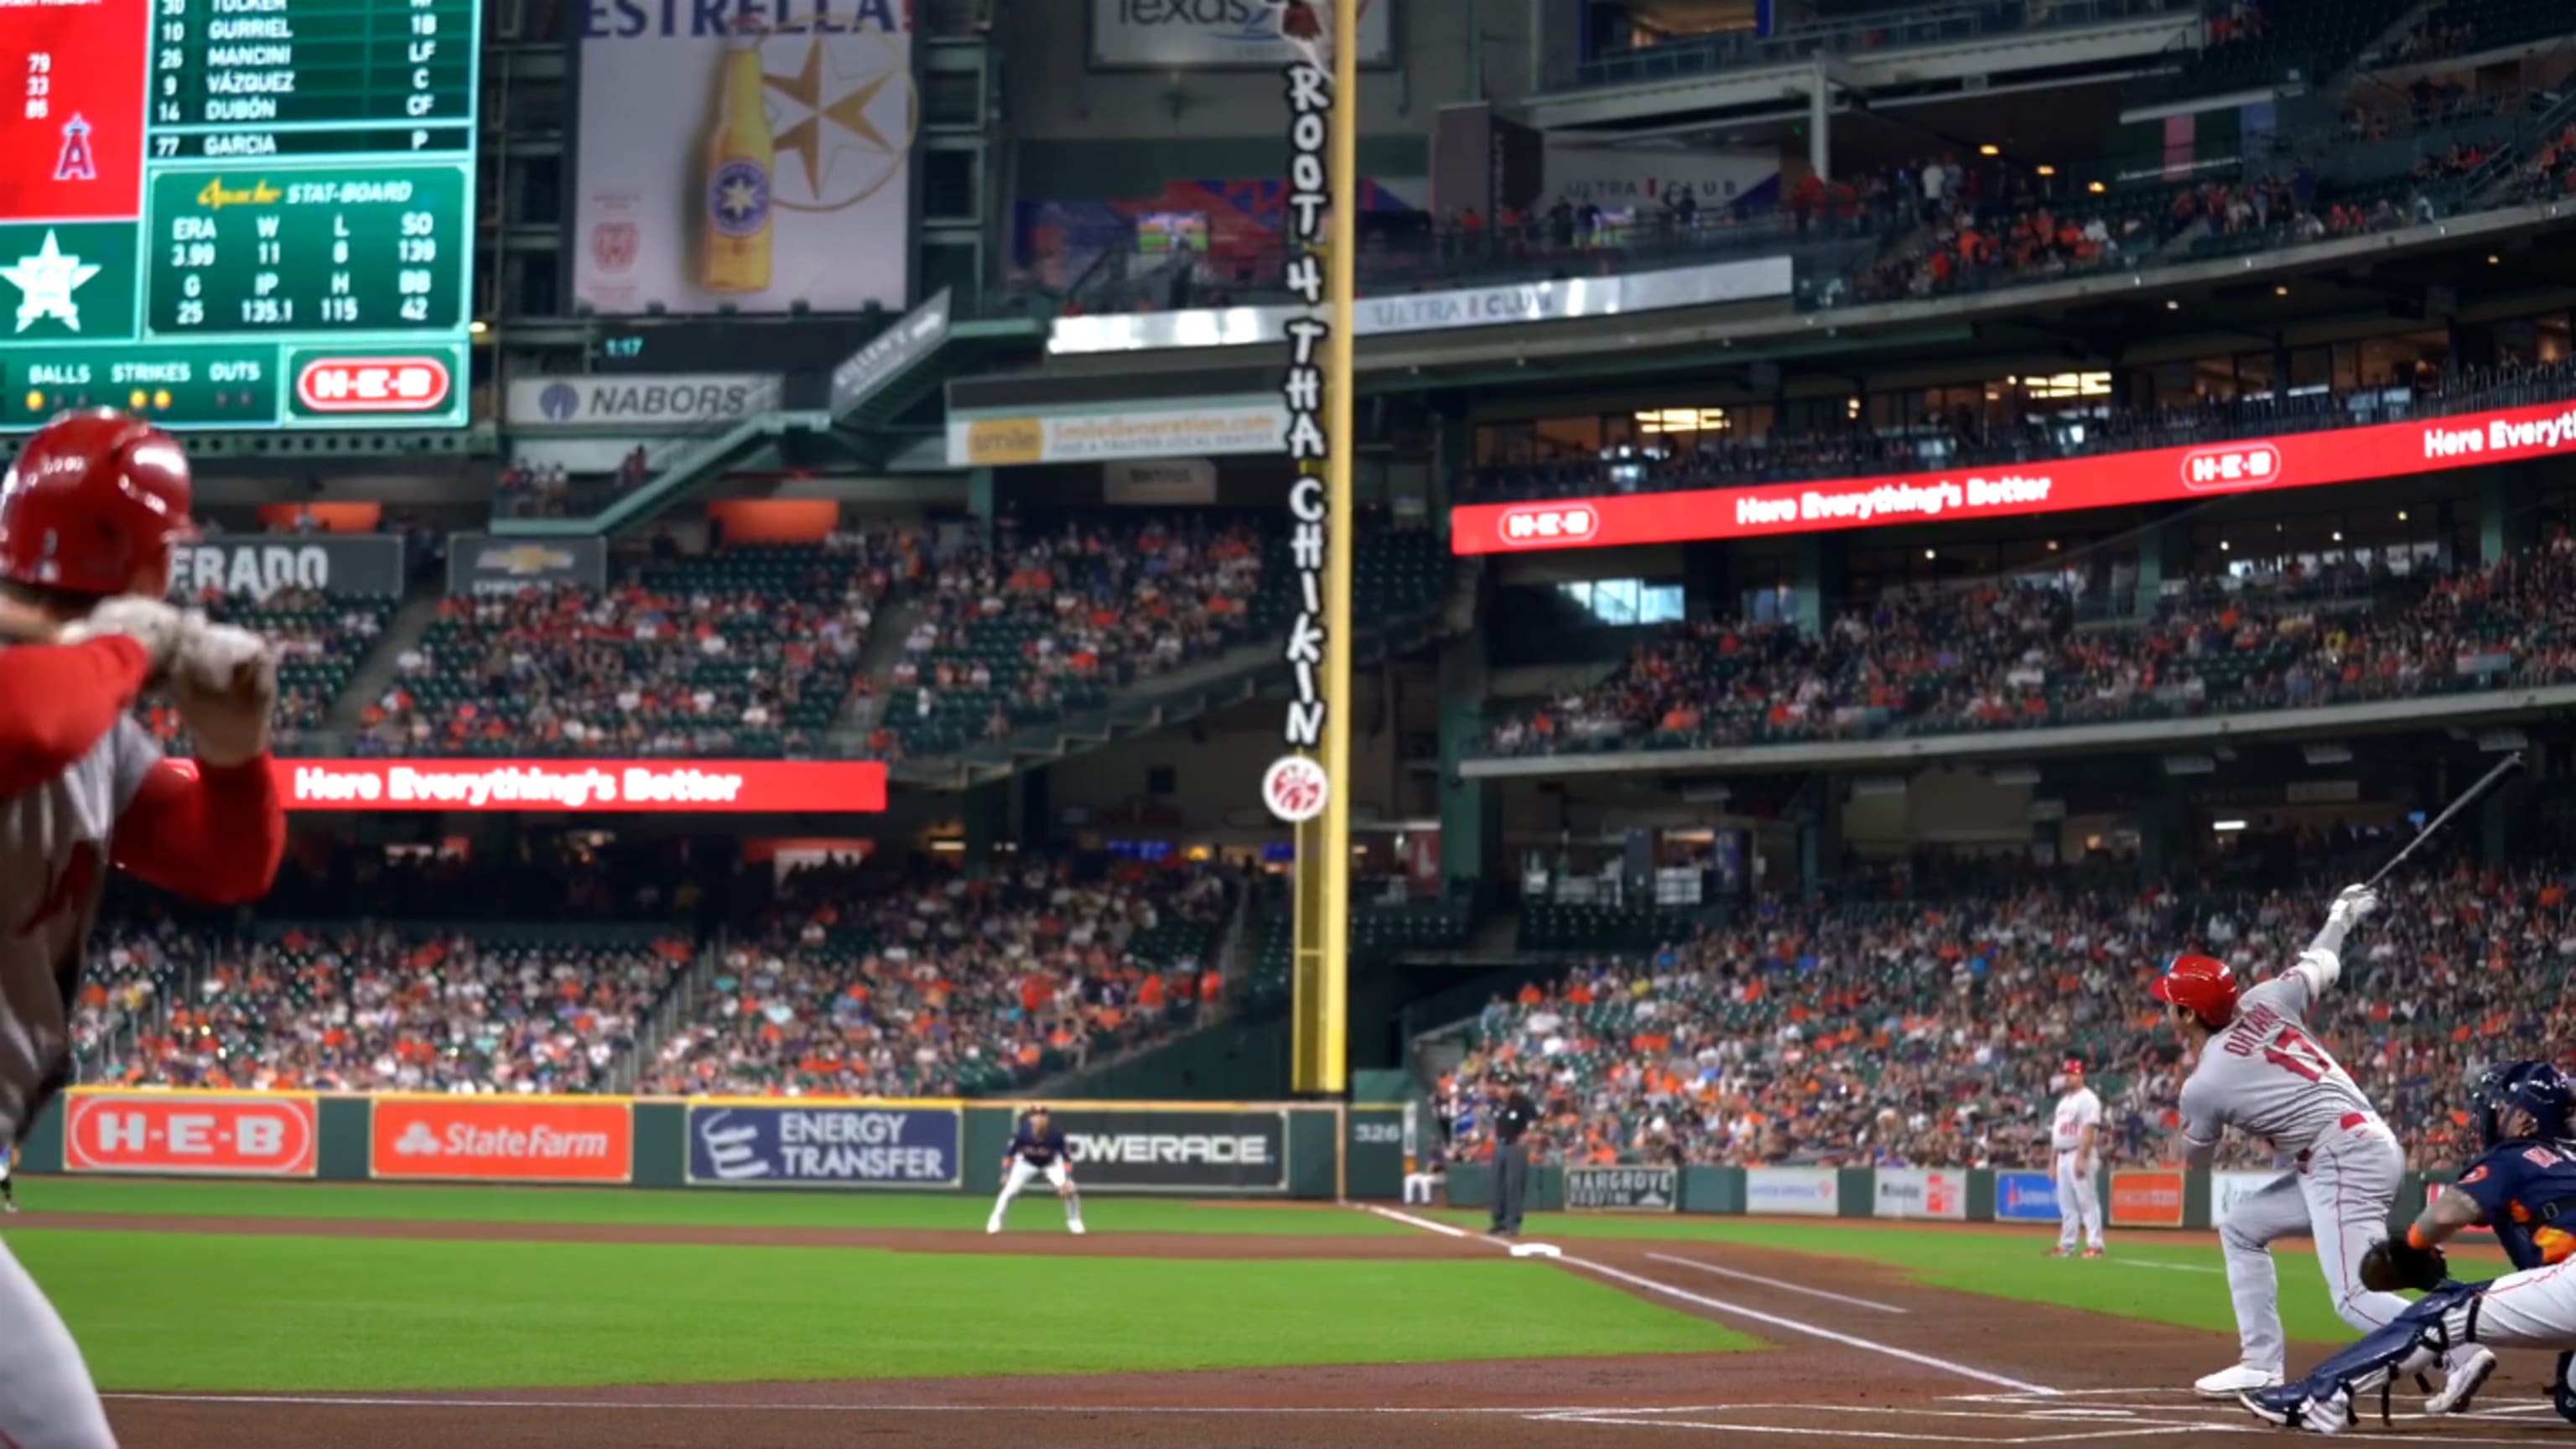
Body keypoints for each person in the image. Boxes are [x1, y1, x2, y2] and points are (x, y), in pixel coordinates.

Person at [0, 408, 286, 1447]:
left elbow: (224, 864)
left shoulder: (94, 716)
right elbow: (26, 725)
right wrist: (128, 643)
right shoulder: (50, 690)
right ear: (145, 556)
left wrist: (236, 750)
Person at [2151, 884, 2486, 1404]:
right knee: (2242, 1227)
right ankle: (2260, 1363)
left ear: (2188, 1016)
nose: (2166, 1011)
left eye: (2171, 1005)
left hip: (2341, 1156)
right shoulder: (2268, 997)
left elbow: (2195, 1161)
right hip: (2355, 1146)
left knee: (2353, 1297)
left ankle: (2459, 1348)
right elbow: (2321, 961)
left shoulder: (2204, 1084)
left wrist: (2180, 1141)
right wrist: (2340, 914)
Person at [2239, 1060, 2576, 1431]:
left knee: (2445, 1311)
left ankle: (2321, 1397)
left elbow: (2446, 1214)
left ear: (2527, 1119)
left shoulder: (2515, 1156)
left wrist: (2414, 1247)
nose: (2491, 1115)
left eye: (2500, 1109)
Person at [986, 1104, 1083, 1236]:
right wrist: (1006, 1172)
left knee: (1071, 1190)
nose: (1038, 1118)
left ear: (1047, 1118)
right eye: (1035, 1115)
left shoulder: (1056, 1135)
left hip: (1051, 1164)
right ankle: (996, 1219)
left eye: (1042, 1115)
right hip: (1026, 1163)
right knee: (1008, 1191)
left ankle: (1074, 1221)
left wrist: (1066, 1180)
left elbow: (1067, 1159)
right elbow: (1008, 1155)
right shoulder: (1022, 1133)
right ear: (1030, 1119)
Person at [2047, 1057, 2105, 1258]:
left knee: (2087, 1202)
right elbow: (2056, 1134)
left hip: (2078, 1153)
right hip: (2062, 1155)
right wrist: (2052, 1162)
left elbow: (2089, 1130)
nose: (2068, 1077)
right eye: (2067, 1074)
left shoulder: (2088, 1099)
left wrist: (2082, 1157)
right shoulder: (2063, 1102)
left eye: (2072, 1074)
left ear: (2081, 1075)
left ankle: (2095, 1245)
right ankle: (2067, 1245)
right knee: (2067, 1205)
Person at [1488, 1075, 1537, 1238]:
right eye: (1501, 1086)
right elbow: (1495, 1123)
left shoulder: (1522, 1103)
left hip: (1515, 1146)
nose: (1503, 1089)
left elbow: (1534, 1121)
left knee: (1513, 1185)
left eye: (1506, 1086)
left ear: (1512, 1087)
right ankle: (1499, 1221)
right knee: (1498, 1185)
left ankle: (1512, 1224)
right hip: (1500, 1146)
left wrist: (1526, 1136)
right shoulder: (1497, 1103)